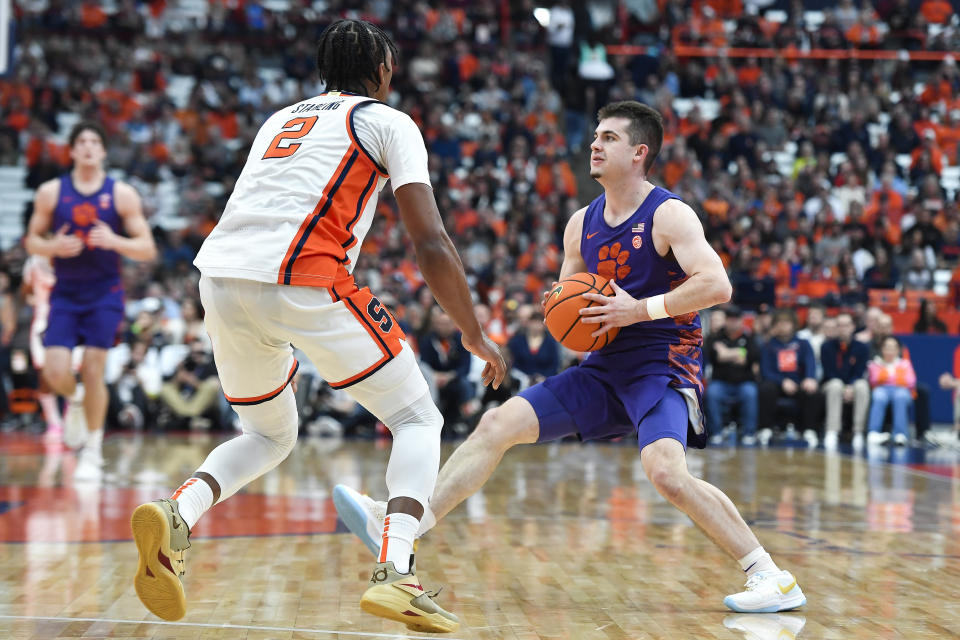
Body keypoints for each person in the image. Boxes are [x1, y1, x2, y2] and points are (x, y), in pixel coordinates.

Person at [335, 101, 806, 614]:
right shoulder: (581, 223)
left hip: (663, 361)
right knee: (497, 424)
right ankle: (405, 526)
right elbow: (571, 306)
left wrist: (637, 309)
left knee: (666, 472)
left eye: (608, 138)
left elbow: (717, 284)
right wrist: (564, 310)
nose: (595, 146)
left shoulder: (669, 214)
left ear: (639, 152)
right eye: (594, 137)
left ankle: (771, 576)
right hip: (604, 366)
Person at [128, 19, 505, 633]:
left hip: (220, 277)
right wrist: (472, 332)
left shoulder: (278, 120)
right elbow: (430, 241)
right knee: (417, 417)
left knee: (269, 433)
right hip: (302, 275)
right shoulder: (387, 121)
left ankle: (179, 511)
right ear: (382, 71)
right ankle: (397, 573)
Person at [24, 121, 157, 480]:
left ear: (102, 151)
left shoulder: (121, 194)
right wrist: (52, 247)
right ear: (71, 151)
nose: (87, 147)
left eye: (94, 141)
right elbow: (31, 240)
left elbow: (147, 248)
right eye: (80, 141)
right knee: (54, 372)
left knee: (95, 367)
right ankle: (78, 399)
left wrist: (115, 241)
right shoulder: (52, 192)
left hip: (105, 292)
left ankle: (93, 451)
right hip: (65, 293)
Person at [757, 309, 822, 448]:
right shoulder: (768, 345)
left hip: (799, 383)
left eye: (786, 322)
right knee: (766, 389)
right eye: (779, 323)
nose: (783, 326)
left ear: (793, 324)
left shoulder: (803, 343)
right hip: (776, 384)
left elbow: (810, 363)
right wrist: (782, 382)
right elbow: (765, 371)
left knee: (813, 392)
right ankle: (765, 428)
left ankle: (809, 429)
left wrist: (810, 378)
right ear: (775, 325)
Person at [704, 305, 760, 446]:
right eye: (730, 319)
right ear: (726, 320)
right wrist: (739, 353)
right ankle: (716, 432)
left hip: (744, 382)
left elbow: (751, 356)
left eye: (736, 319)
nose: (733, 322)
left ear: (741, 321)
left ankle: (749, 433)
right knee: (712, 393)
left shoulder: (749, 337)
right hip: (721, 382)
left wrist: (727, 353)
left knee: (750, 393)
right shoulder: (714, 337)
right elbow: (715, 356)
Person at [820, 313, 870, 451]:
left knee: (862, 386)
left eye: (846, 325)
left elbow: (860, 372)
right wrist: (844, 388)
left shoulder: (862, 347)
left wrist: (851, 386)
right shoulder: (826, 347)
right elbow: (829, 372)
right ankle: (832, 431)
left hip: (853, 383)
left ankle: (858, 432)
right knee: (835, 385)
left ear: (853, 327)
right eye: (839, 325)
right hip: (832, 383)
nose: (843, 329)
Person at [866, 335, 916, 446]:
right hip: (881, 390)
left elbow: (910, 381)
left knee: (900, 396)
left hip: (901, 390)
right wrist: (895, 377)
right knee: (879, 396)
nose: (890, 351)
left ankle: (900, 434)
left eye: (893, 348)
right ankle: (873, 432)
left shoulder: (905, 363)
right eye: (887, 347)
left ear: (898, 350)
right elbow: (874, 380)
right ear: (882, 349)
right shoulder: (875, 363)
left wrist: (886, 377)